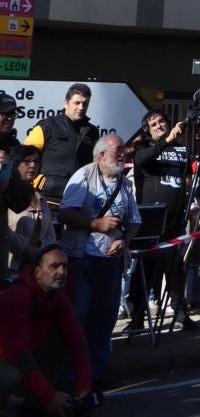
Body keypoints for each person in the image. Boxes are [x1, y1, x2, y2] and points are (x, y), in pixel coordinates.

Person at [59, 131, 141, 401]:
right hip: (83, 259)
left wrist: (125, 241)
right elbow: (65, 213)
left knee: (104, 321)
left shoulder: (125, 183)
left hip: (111, 262)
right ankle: (73, 380)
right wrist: (95, 224)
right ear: (102, 153)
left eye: (125, 150)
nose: (123, 153)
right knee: (79, 319)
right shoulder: (84, 176)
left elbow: (136, 221)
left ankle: (95, 377)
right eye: (118, 149)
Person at [0, 243, 93, 415]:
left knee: (62, 342)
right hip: (7, 359)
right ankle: (10, 403)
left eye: (65, 267)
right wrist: (48, 397)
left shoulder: (56, 295)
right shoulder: (17, 295)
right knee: (10, 376)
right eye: (54, 266)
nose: (61, 272)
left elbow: (77, 341)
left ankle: (23, 401)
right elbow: (18, 353)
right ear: (37, 273)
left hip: (17, 355)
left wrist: (84, 390)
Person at [127, 109, 192, 328]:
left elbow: (187, 178)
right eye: (153, 124)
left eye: (161, 122)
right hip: (150, 221)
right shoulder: (142, 147)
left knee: (175, 267)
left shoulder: (181, 148)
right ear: (147, 129)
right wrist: (166, 141)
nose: (158, 126)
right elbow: (141, 159)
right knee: (145, 269)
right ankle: (137, 317)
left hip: (174, 220)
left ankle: (181, 313)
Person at [24, 87, 96, 205]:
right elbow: (25, 157)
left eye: (85, 104)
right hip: (47, 199)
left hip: (79, 199)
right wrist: (34, 183)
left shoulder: (92, 132)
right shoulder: (47, 126)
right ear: (66, 103)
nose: (81, 107)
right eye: (77, 103)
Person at [5, 144, 59, 278]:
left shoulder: (40, 198)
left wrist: (42, 254)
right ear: (16, 164)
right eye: (27, 161)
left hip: (36, 270)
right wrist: (26, 249)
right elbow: (4, 232)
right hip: (10, 268)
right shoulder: (5, 194)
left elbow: (49, 235)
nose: (33, 165)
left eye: (36, 161)